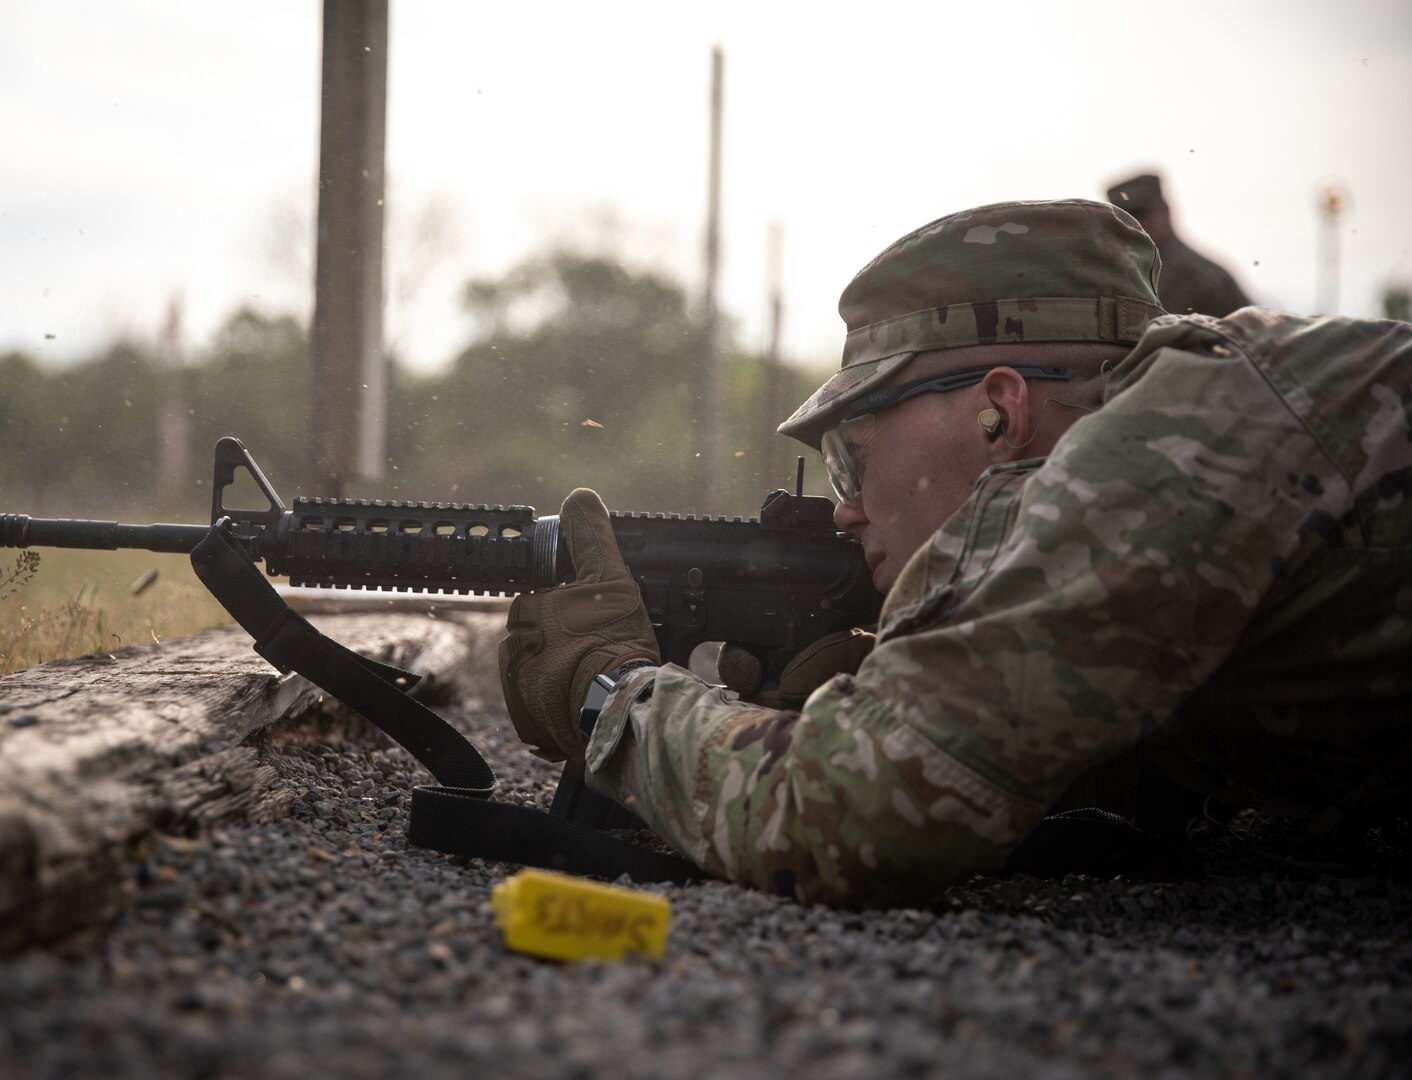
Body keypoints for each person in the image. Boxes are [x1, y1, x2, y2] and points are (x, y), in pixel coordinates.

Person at [498, 198, 1412, 907]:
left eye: (854, 457)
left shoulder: (1163, 448)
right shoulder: (1200, 428)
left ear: (1001, 410)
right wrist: (900, 688)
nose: (847, 511)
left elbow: (848, 821)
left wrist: (611, 692)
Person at [1106, 172, 1252, 317]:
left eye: (1143, 214)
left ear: (1165, 209)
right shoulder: (1110, 274)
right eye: (1126, 217)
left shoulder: (1204, 278)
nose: (1137, 224)